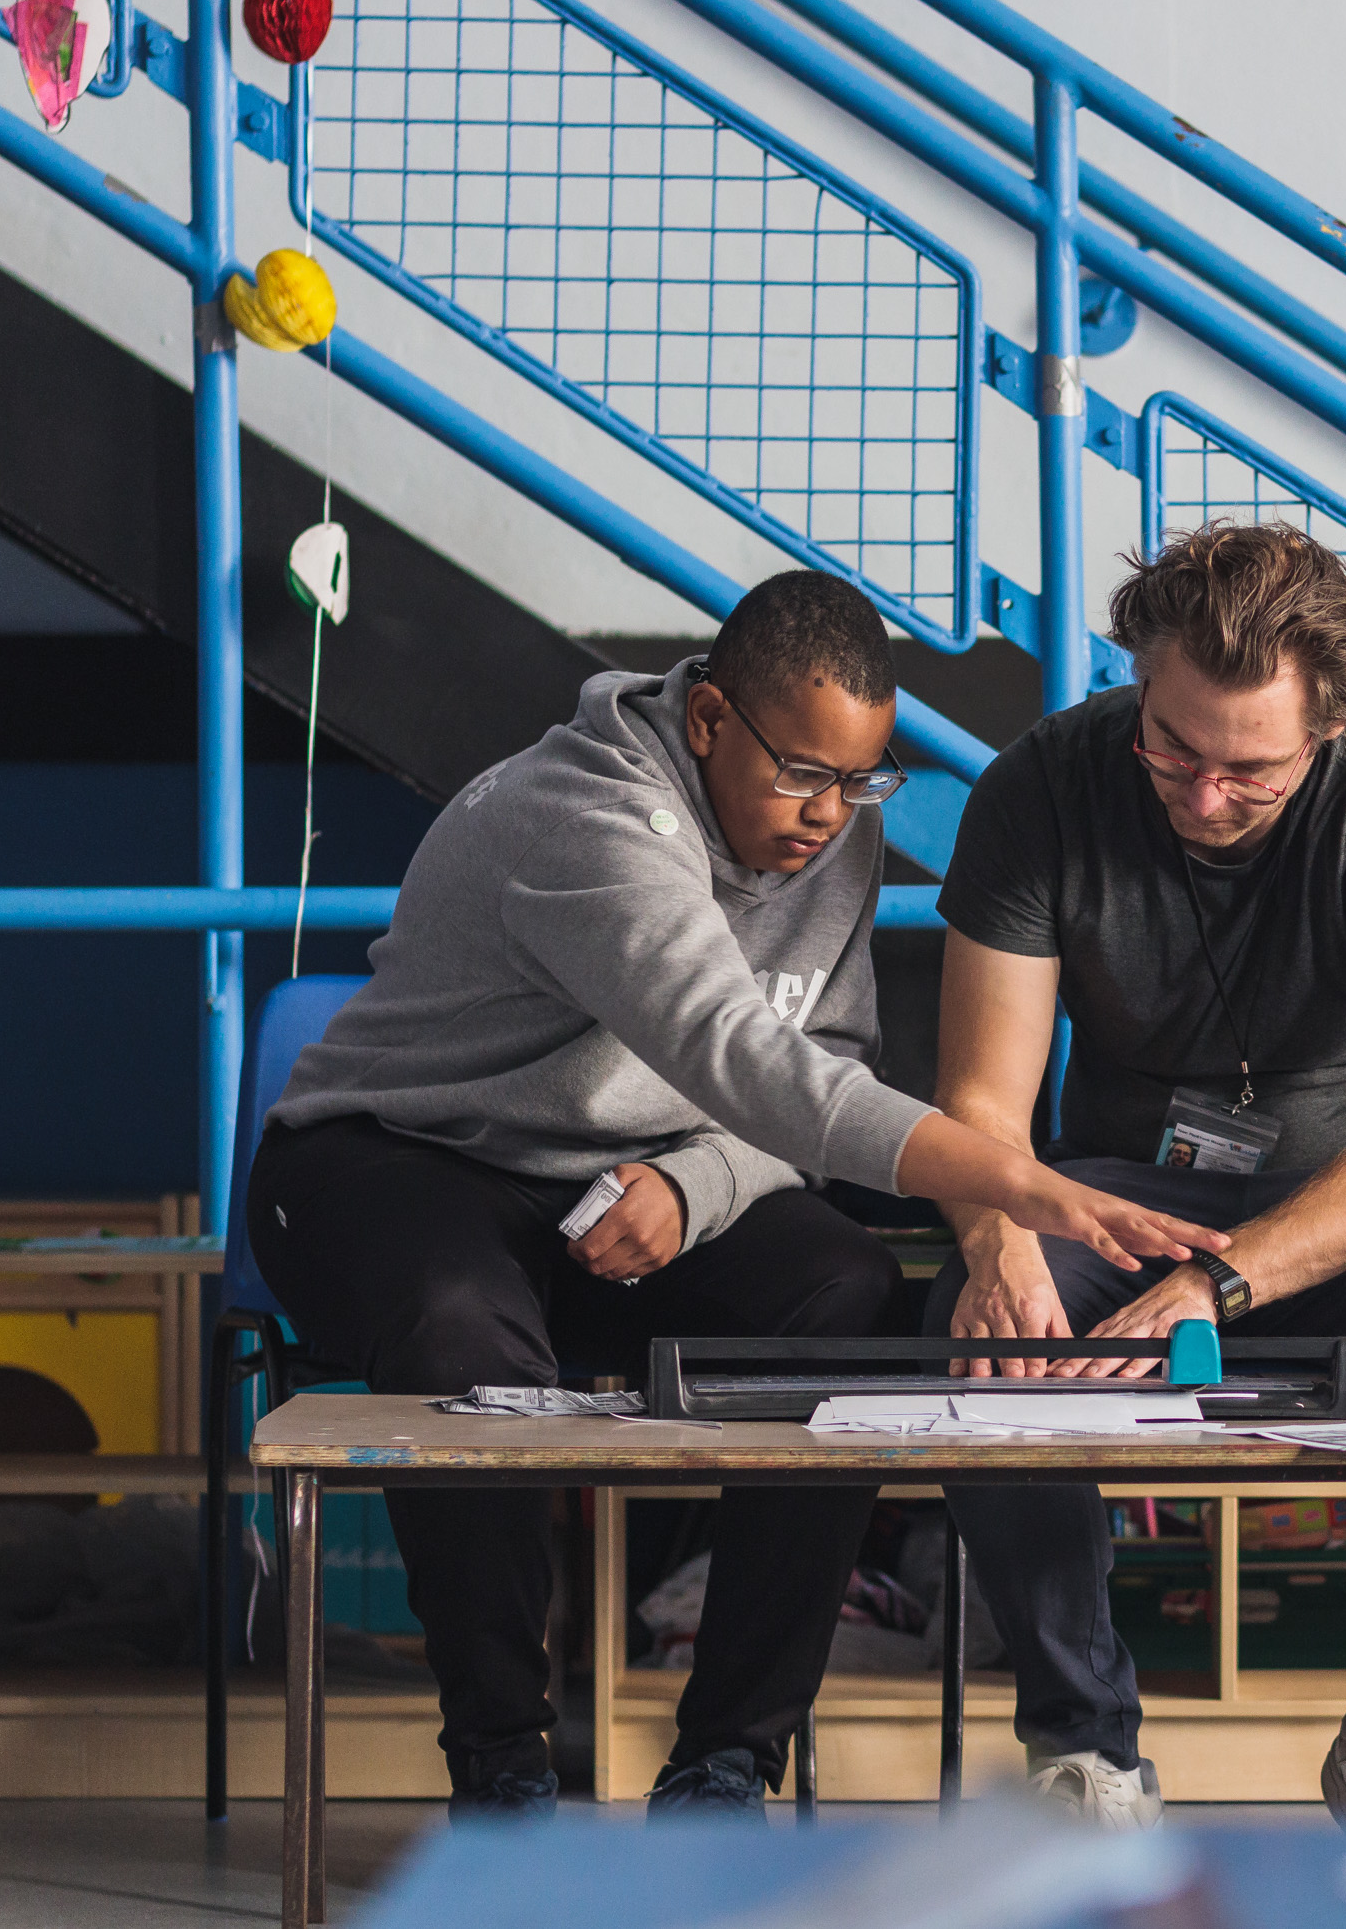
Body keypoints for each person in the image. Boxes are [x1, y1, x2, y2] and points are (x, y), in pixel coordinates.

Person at [249, 569, 1223, 1821]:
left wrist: (696, 1180)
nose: (831, 813)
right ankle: (500, 1771)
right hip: (394, 1160)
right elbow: (739, 1050)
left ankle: (724, 1763)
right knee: (457, 1327)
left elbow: (831, 1061)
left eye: (862, 780)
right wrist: (1018, 1182)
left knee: (854, 1293)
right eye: (802, 773)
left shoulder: (833, 823)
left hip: (623, 1188)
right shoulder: (587, 811)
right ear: (708, 718)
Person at [927, 522, 1346, 1830]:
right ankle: (1081, 1747)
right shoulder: (1043, 782)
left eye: (1249, 773)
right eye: (1173, 747)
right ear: (1140, 680)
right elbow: (980, 1104)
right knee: (986, 1312)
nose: (1202, 797)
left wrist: (1223, 1278)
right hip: (1120, 1195)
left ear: (1331, 728)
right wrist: (996, 1236)